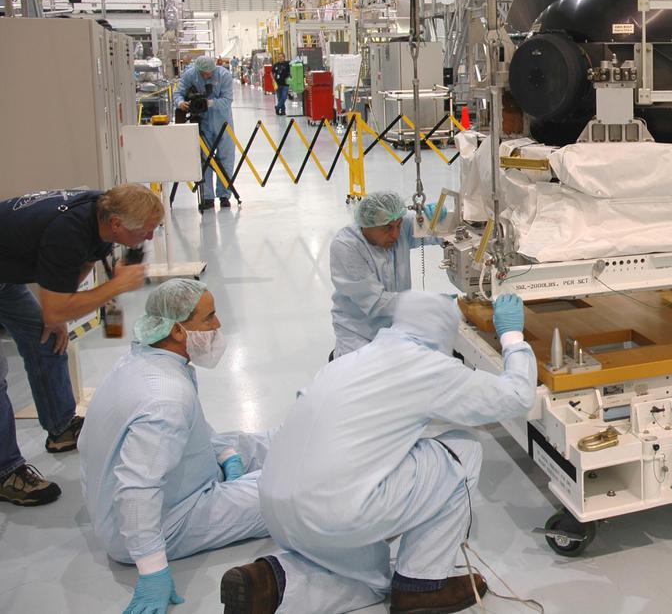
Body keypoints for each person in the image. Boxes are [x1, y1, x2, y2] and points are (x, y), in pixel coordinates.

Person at [220, 290, 536, 614]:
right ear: (443, 329)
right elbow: (517, 397)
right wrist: (511, 336)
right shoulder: (426, 368)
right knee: (463, 450)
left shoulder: (352, 360)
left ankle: (271, 583)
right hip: (333, 511)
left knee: (373, 576)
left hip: (275, 506)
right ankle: (421, 586)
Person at [80, 279, 270, 614]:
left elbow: (190, 427)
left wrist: (226, 456)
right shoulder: (166, 397)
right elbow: (138, 488)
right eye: (209, 318)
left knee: (246, 442)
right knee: (281, 490)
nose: (218, 325)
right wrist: (153, 571)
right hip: (157, 521)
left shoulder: (146, 361)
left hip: (166, 486)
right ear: (179, 331)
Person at [0, 185, 161, 507]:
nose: (150, 238)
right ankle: (6, 472)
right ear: (117, 225)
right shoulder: (67, 231)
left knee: (46, 336)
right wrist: (112, 287)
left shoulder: (99, 210)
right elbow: (57, 305)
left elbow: (82, 262)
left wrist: (59, 308)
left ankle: (61, 428)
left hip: (5, 279)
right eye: (146, 231)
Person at [329, 191, 443, 358]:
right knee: (366, 378)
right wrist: (430, 305)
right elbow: (376, 303)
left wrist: (442, 221)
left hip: (397, 328)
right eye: (388, 228)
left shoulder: (398, 228)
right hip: (359, 333)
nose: (396, 234)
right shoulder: (347, 246)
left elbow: (437, 233)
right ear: (367, 226)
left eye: (398, 225)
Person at [177, 54, 235, 211]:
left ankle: (224, 195)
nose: (206, 76)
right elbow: (179, 92)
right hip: (203, 123)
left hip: (223, 122)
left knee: (225, 158)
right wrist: (180, 102)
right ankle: (208, 197)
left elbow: (227, 100)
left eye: (209, 73)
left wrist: (209, 103)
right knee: (205, 160)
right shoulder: (190, 74)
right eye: (203, 73)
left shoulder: (224, 75)